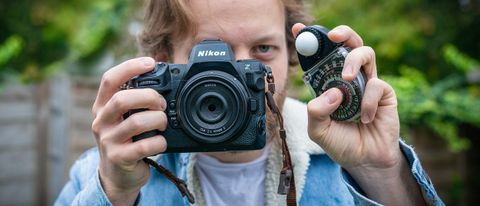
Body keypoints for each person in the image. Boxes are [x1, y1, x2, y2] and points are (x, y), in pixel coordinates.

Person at [55, 0, 444, 205]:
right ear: (161, 61)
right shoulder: (104, 175)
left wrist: (382, 172)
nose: (241, 74)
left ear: (292, 54)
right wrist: (115, 192)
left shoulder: (342, 158)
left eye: (262, 48)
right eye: (213, 50)